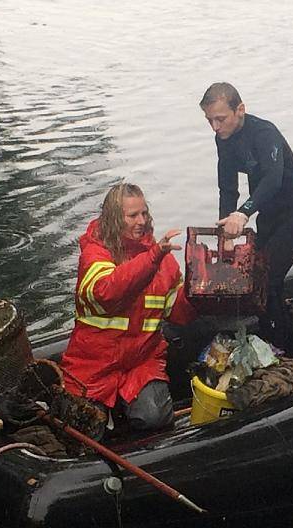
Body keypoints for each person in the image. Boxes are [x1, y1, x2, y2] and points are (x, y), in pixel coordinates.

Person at [61, 183, 195, 431]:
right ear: (114, 219)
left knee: (154, 419)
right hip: (94, 363)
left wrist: (197, 290)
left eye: (144, 213)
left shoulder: (161, 260)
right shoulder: (95, 253)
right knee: (82, 428)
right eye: (133, 215)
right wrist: (153, 257)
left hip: (141, 363)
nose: (141, 221)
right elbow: (107, 292)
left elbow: (177, 313)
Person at [200, 82, 293, 355]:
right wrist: (224, 234)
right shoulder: (223, 139)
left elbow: (272, 179)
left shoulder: (264, 133)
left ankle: (289, 349)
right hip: (269, 216)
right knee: (256, 282)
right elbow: (227, 188)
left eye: (220, 119)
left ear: (240, 110)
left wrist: (243, 213)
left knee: (267, 280)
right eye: (209, 121)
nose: (216, 127)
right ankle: (274, 340)